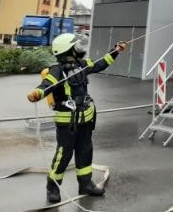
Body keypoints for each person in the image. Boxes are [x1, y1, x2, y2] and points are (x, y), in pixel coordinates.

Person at [27, 33, 127, 203]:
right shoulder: (56, 70)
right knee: (63, 155)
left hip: (85, 120)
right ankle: (53, 187)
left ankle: (85, 184)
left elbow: (100, 63)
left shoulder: (81, 64)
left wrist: (115, 51)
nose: (79, 49)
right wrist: (37, 93)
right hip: (67, 122)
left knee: (85, 151)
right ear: (68, 50)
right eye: (76, 46)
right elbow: (47, 84)